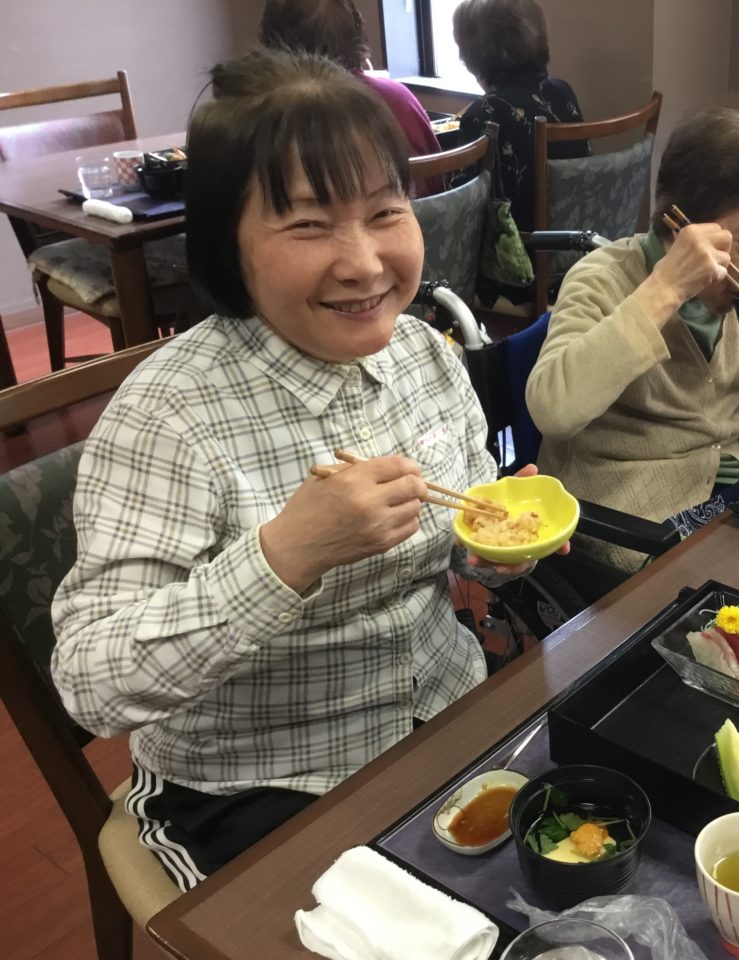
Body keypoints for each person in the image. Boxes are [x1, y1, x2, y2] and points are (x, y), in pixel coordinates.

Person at [49, 50, 551, 890]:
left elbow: (461, 542)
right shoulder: (169, 414)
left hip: (446, 712)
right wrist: (286, 555)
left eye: (385, 211)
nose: (363, 263)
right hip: (262, 784)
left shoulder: (427, 355)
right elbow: (90, 685)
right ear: (229, 248)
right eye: (309, 225)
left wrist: (497, 547)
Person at [525, 105, 739, 575]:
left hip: (729, 481)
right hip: (633, 518)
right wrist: (664, 290)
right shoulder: (601, 278)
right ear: (680, 223)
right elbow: (553, 410)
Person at [453, 0, 589, 302]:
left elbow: (462, 212)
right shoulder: (563, 93)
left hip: (518, 274)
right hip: (579, 256)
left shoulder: (485, 113)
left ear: (476, 53)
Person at [259, 0, 445, 194]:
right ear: (356, 31)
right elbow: (439, 182)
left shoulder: (279, 119)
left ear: (274, 42)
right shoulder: (400, 96)